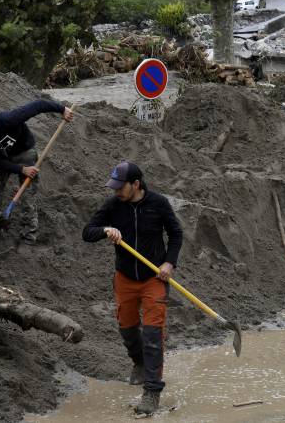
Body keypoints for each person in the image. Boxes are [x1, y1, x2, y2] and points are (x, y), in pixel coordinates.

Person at [81, 161, 183, 416]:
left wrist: (169, 263)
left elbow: (176, 234)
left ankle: (152, 392)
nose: (116, 191)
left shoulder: (158, 203)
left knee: (152, 335)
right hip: (125, 277)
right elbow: (87, 232)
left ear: (135, 184)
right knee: (127, 329)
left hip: (154, 279)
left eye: (120, 187)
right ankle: (138, 362)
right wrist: (106, 229)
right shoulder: (113, 205)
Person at [0, 100, 74, 244]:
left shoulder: (9, 119)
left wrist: (62, 109)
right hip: (3, 159)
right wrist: (21, 169)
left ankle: (29, 234)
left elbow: (38, 105)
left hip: (24, 153)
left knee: (28, 194)